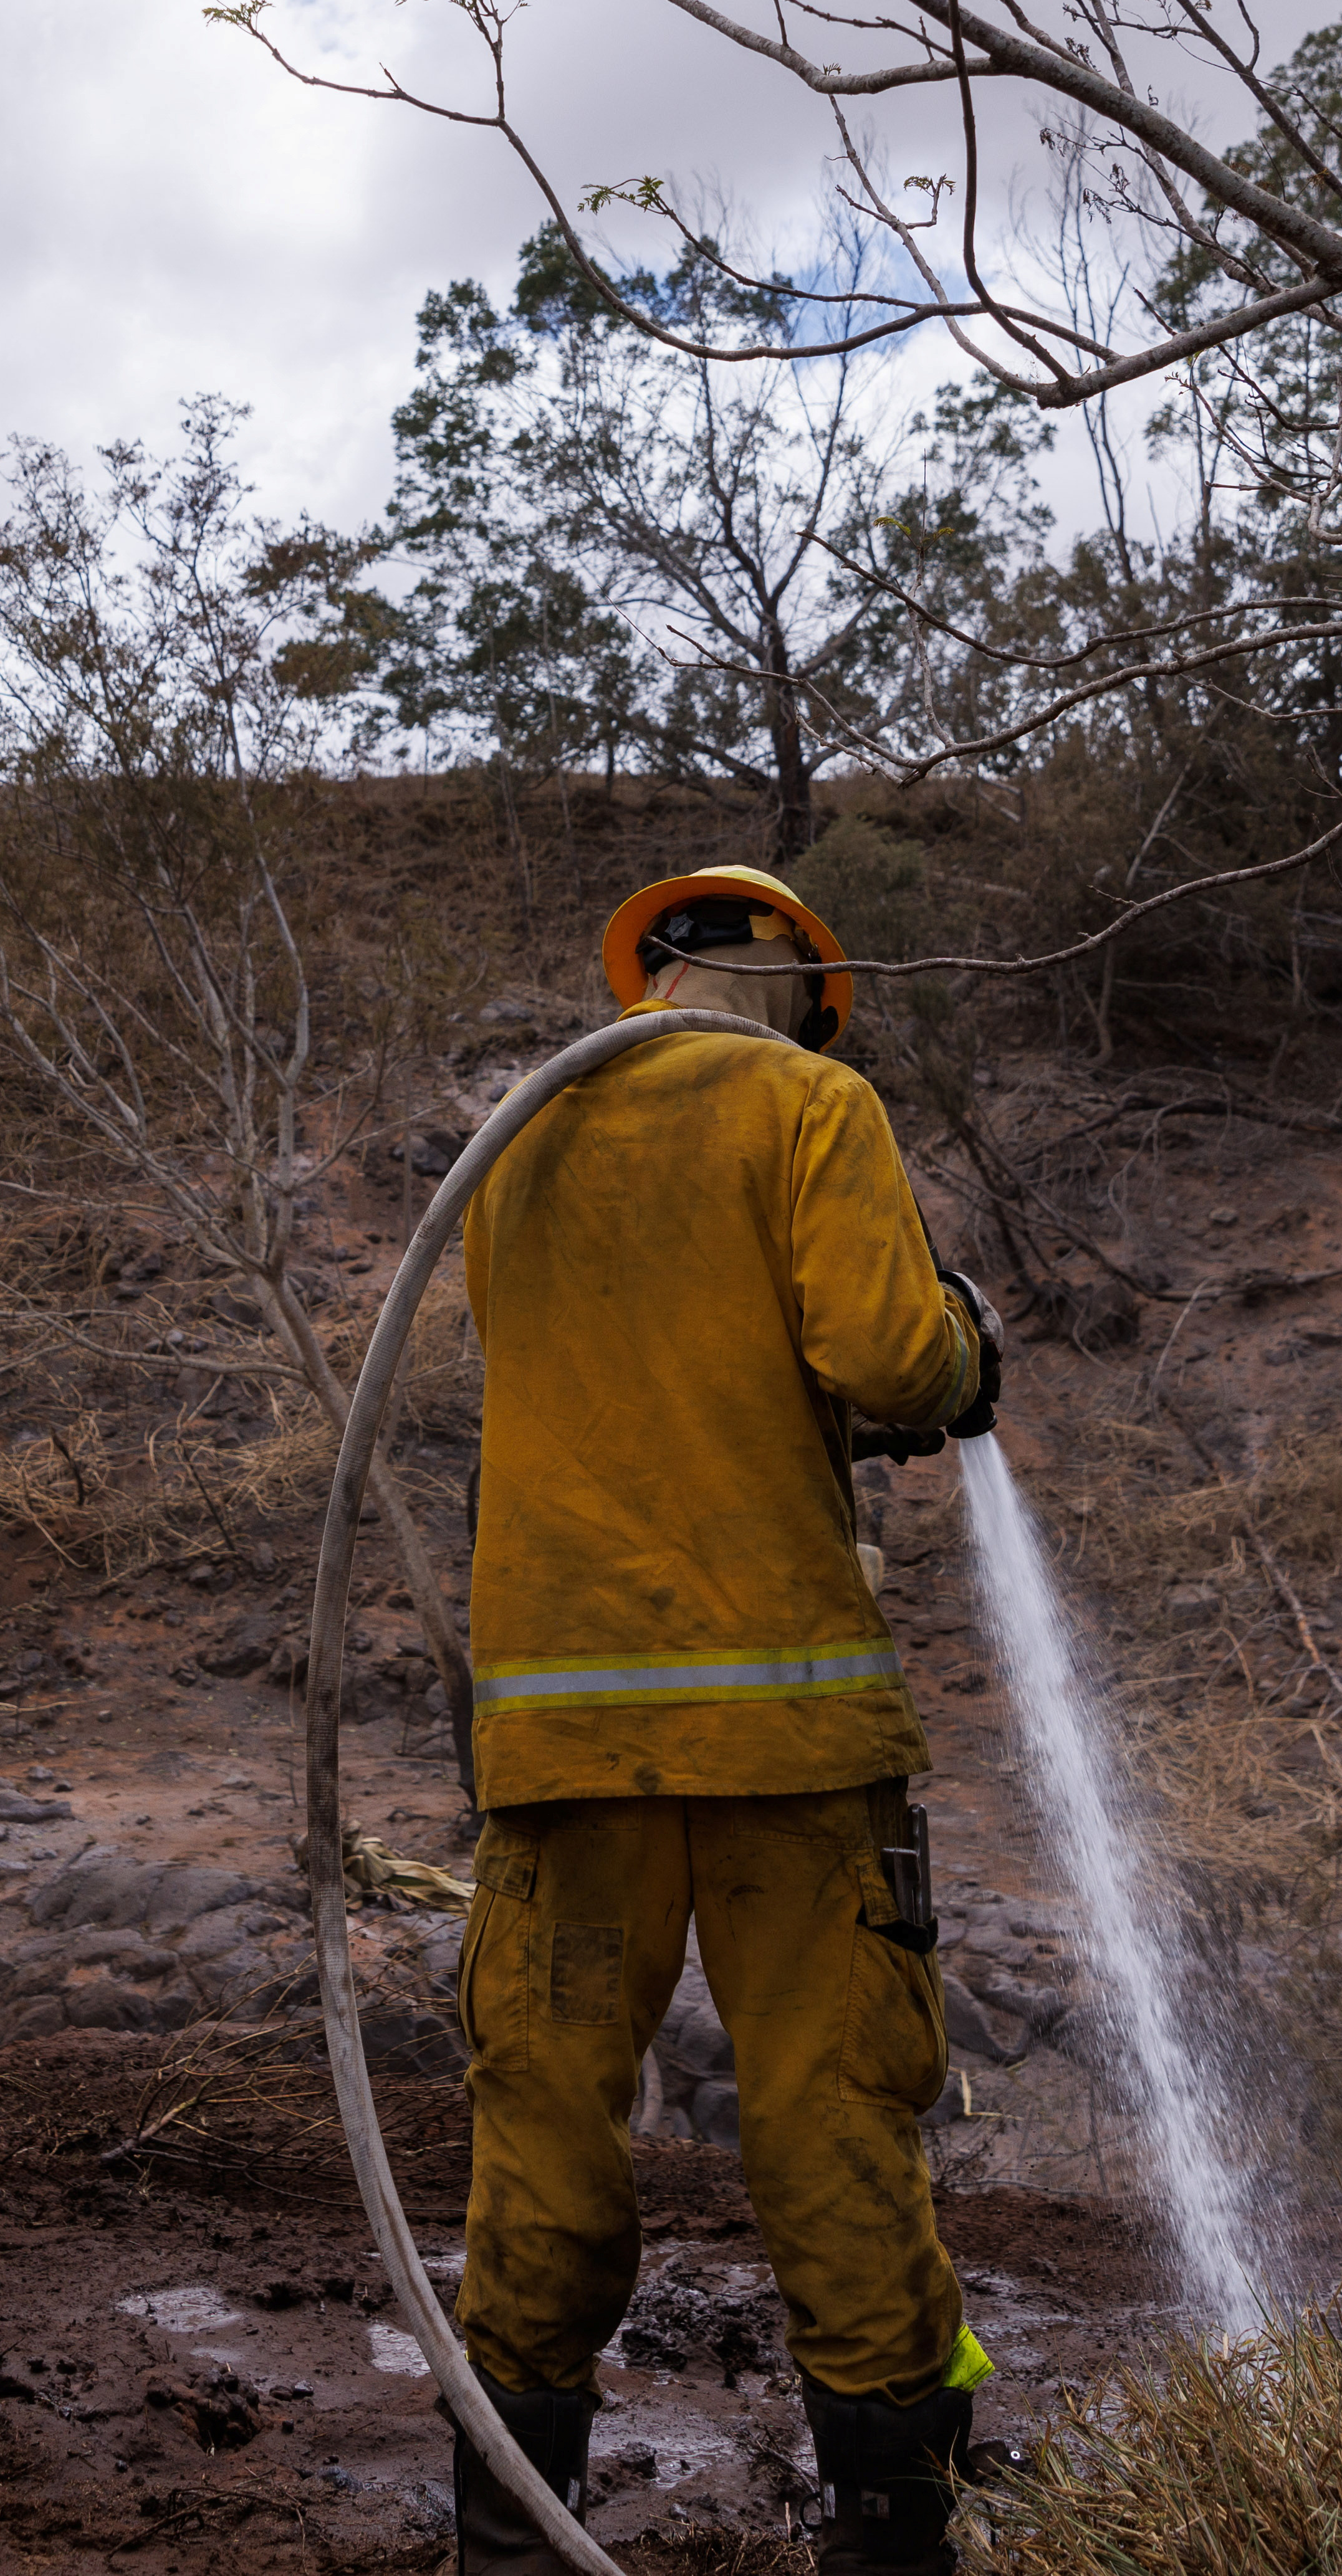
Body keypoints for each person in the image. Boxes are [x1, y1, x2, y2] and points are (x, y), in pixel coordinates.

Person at [448, 863, 1005, 2575]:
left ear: (651, 971)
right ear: (783, 973)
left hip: (560, 1735)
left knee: (541, 2123)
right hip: (785, 1734)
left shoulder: (517, 1138)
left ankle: (507, 2533)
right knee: (834, 2113)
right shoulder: (808, 1099)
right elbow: (888, 1359)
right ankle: (893, 2531)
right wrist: (961, 1353)